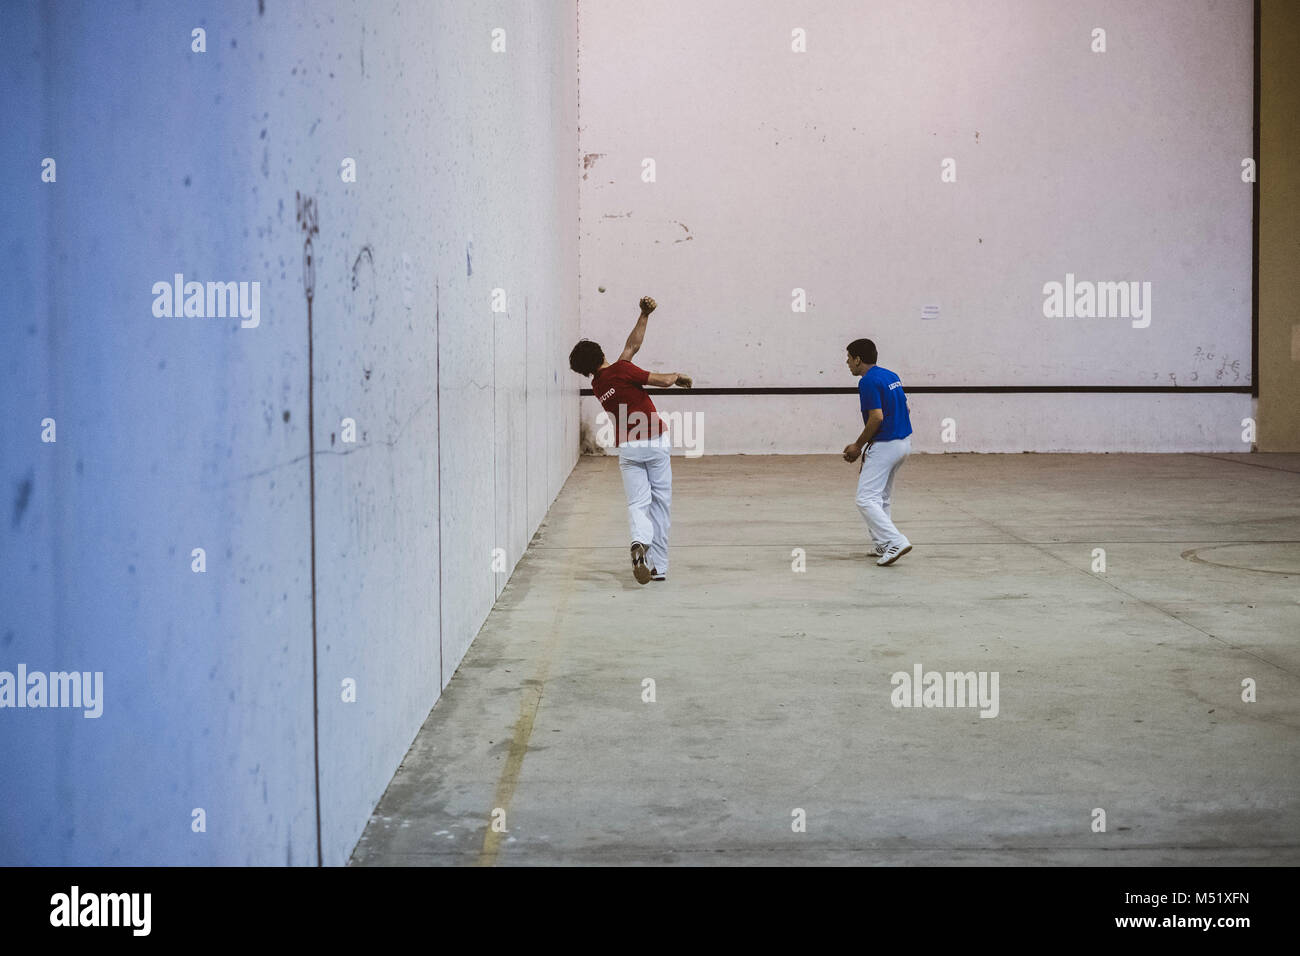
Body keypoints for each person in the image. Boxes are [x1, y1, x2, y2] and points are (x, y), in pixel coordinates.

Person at [569, 296, 693, 584]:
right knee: (660, 504)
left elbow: (631, 346)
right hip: (654, 441)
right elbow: (659, 380)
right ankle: (658, 567)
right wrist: (677, 376)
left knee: (638, 503)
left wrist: (643, 315)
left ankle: (639, 542)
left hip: (628, 449)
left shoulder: (599, 384)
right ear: (600, 352)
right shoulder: (622, 371)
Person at [842, 338, 913, 566]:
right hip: (903, 443)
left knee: (865, 499)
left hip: (886, 445)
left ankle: (895, 541)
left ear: (858, 359)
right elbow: (906, 407)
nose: (847, 363)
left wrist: (857, 446)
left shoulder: (868, 382)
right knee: (881, 497)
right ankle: (883, 543)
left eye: (849, 358)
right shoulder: (891, 375)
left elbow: (876, 417)